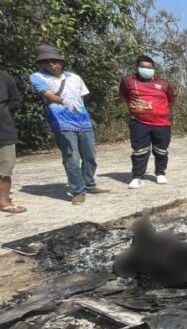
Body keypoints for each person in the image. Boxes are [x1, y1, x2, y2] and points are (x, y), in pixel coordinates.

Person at [29, 45, 109, 205]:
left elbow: (81, 99)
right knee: (72, 157)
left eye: (54, 61)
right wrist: (64, 101)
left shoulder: (74, 77)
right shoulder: (37, 77)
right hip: (61, 120)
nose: (51, 64)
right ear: (42, 64)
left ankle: (89, 184)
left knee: (90, 155)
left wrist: (83, 113)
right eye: (47, 62)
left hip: (83, 120)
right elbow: (47, 94)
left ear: (61, 62)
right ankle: (77, 190)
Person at [119, 55, 177, 189]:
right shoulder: (128, 81)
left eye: (149, 67)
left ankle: (160, 173)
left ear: (154, 68)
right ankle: (138, 177)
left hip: (162, 123)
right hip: (139, 122)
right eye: (143, 67)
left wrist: (157, 109)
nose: (146, 69)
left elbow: (171, 99)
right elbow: (123, 95)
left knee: (161, 150)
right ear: (137, 67)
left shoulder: (163, 83)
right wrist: (136, 107)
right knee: (139, 151)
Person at [0, 70, 26, 214]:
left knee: (5, 168)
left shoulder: (3, 76)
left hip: (3, 129)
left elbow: (14, 99)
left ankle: (3, 200)